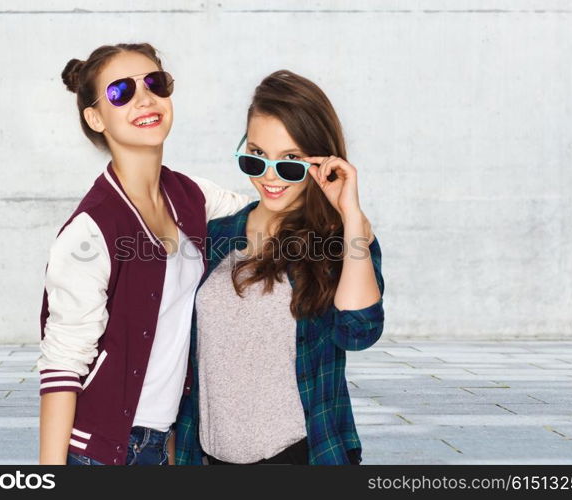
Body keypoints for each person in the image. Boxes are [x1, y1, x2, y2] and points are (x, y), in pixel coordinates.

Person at [37, 43, 250, 466]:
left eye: (155, 83)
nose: (146, 99)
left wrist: (340, 205)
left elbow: (266, 213)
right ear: (95, 117)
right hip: (100, 452)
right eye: (121, 92)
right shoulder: (90, 231)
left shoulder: (191, 195)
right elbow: (62, 365)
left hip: (164, 442)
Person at [175, 70, 385, 465]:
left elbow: (359, 332)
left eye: (290, 161)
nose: (270, 176)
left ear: (322, 161)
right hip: (207, 457)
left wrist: (351, 215)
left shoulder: (340, 242)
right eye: (256, 156)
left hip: (301, 456)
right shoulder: (214, 237)